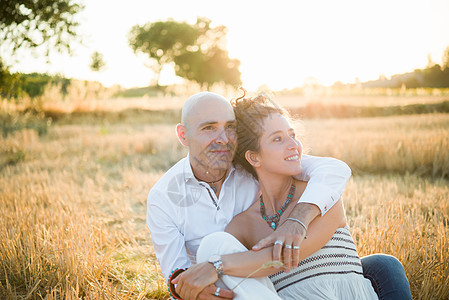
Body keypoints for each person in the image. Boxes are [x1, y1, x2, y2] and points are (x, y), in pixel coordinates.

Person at [146, 91, 412, 299]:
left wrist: (298, 219)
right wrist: (194, 286)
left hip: (266, 275)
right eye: (208, 128)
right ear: (183, 135)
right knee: (213, 245)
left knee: (383, 265)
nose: (224, 139)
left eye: (229, 127)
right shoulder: (163, 197)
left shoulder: (256, 167)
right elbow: (177, 273)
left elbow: (333, 168)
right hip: (240, 286)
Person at [196, 94, 380, 299]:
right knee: (212, 244)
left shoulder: (321, 197)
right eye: (278, 139)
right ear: (254, 157)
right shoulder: (244, 225)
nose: (294, 144)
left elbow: (284, 257)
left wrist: (216, 266)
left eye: (292, 135)